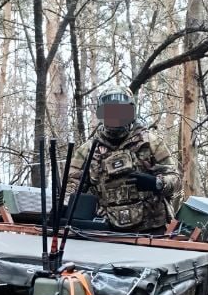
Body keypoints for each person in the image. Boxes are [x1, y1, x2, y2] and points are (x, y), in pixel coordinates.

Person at [68, 89, 179, 234]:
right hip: (106, 230)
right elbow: (71, 189)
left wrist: (155, 183)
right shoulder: (88, 150)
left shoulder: (151, 142)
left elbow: (175, 180)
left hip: (151, 229)